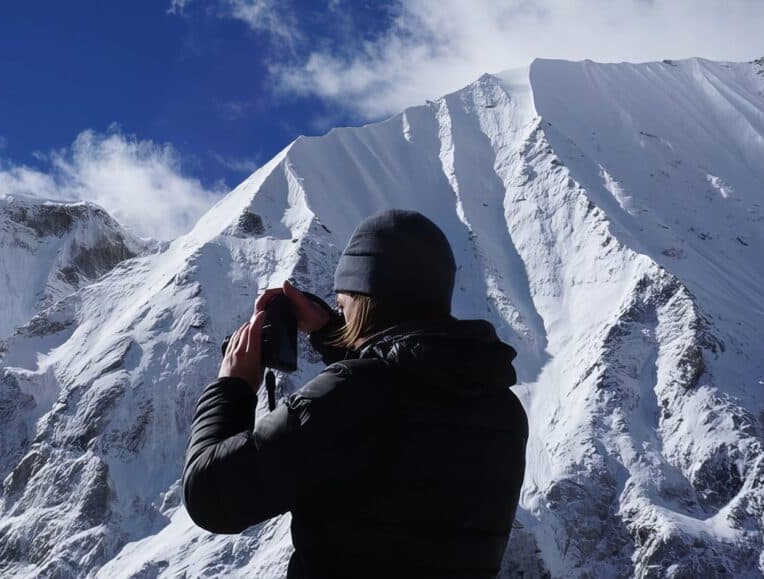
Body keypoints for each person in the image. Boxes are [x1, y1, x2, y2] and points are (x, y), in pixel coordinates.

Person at [183, 209, 528, 578]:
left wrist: (233, 386)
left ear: (365, 296)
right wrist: (331, 333)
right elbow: (405, 395)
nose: (341, 312)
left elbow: (210, 495)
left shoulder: (346, 397)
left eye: (343, 304)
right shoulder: (504, 411)